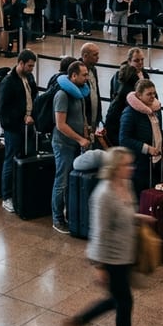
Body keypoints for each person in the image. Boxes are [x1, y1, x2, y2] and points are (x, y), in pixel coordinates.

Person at [63, 148, 152, 326]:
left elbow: (124, 212)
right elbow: (99, 233)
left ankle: (76, 322)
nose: (130, 168)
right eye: (126, 165)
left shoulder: (126, 185)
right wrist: (100, 266)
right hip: (111, 258)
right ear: (114, 168)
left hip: (125, 253)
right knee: (124, 302)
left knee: (117, 300)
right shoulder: (103, 195)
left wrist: (138, 218)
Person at [52, 61, 93, 234]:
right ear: (73, 76)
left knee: (70, 181)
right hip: (64, 145)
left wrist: (85, 131)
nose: (87, 78)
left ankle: (70, 214)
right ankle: (57, 219)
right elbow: (60, 124)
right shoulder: (62, 95)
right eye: (83, 75)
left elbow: (81, 117)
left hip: (76, 143)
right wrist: (79, 139)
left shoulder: (79, 94)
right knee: (61, 182)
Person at [0, 50, 37, 212]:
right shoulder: (8, 82)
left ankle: (22, 191)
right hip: (14, 128)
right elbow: (4, 110)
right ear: (20, 63)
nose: (31, 69)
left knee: (26, 157)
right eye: (29, 66)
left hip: (28, 125)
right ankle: (6, 196)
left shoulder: (29, 77)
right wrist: (22, 118)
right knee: (10, 159)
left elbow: (33, 96)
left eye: (33, 66)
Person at [119, 79, 163, 197]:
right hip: (139, 164)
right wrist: (147, 148)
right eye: (149, 94)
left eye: (154, 93)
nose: (153, 96)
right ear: (139, 96)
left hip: (156, 162)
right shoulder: (129, 113)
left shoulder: (156, 109)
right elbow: (124, 139)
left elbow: (156, 130)